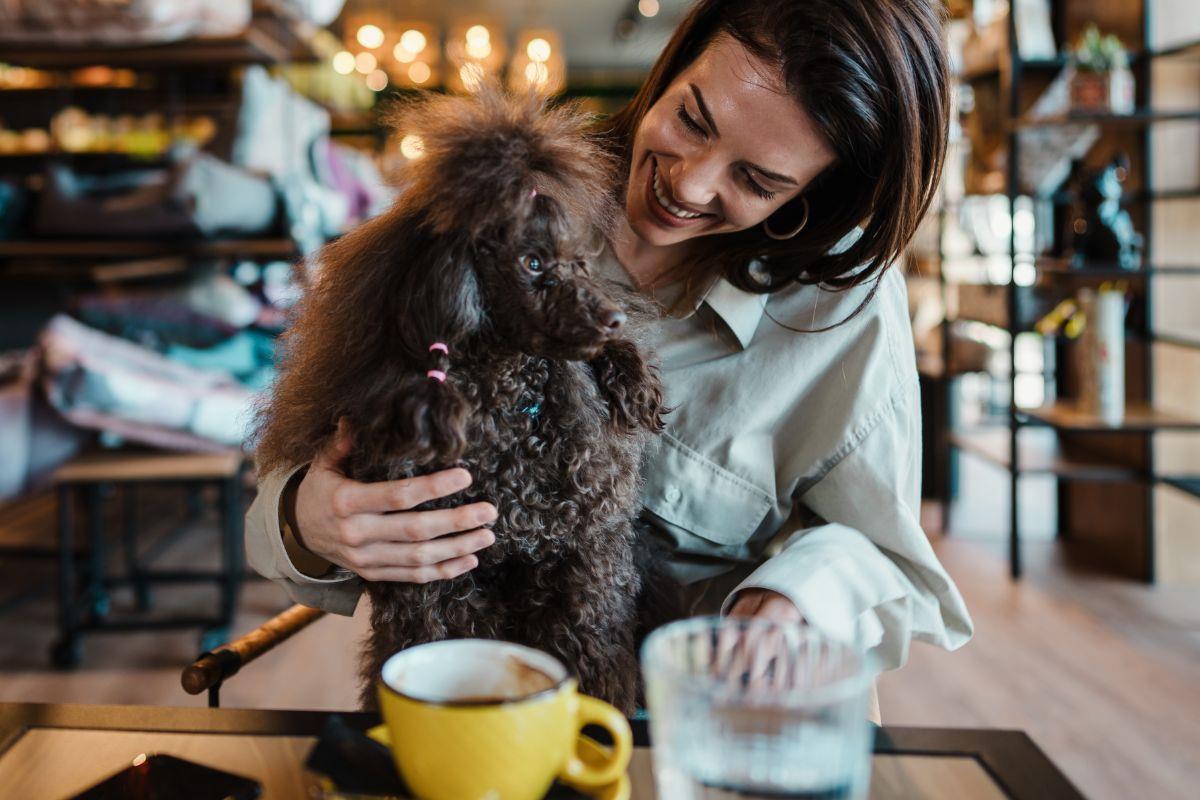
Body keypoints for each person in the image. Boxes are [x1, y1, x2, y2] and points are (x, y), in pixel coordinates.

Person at [246, 0, 973, 714]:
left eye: (757, 181)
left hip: (700, 716)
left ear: (820, 192)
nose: (688, 184)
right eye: (691, 118)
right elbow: (282, 493)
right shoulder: (504, 204)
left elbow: (893, 562)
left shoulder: (842, 314)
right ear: (675, 62)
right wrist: (307, 520)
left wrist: (794, 599)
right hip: (466, 700)